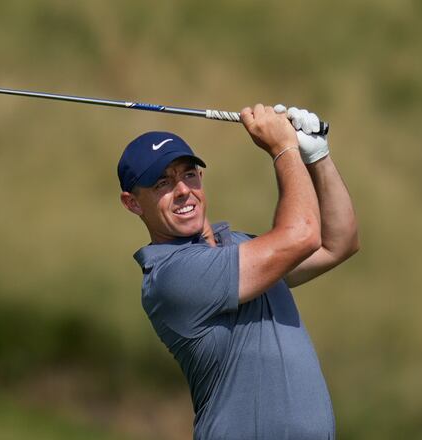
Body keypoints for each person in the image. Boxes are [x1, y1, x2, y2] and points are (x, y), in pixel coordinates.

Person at [117, 103, 359, 439]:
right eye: (162, 183)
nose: (183, 190)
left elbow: (338, 243)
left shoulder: (240, 247)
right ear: (132, 203)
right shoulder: (172, 276)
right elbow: (302, 235)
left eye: (189, 174)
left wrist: (318, 156)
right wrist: (284, 149)